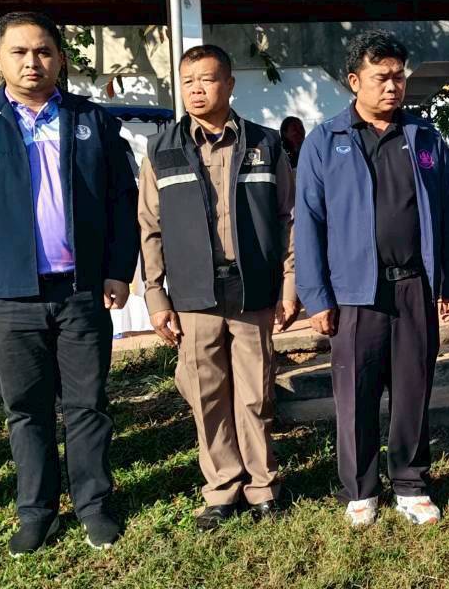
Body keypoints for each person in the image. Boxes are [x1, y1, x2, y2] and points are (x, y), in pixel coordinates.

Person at [0, 12, 139, 554]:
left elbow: (122, 201)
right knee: (26, 409)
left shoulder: (91, 120)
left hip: (81, 290)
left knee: (87, 404)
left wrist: (119, 269)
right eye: (19, 52)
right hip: (10, 295)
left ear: (60, 58)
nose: (32, 62)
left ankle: (94, 506)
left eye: (43, 51)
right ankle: (37, 512)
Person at [296, 30, 449, 527]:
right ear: (355, 81)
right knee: (356, 392)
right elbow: (308, 223)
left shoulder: (424, 138)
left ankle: (411, 483)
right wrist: (316, 296)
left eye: (398, 76)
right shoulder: (325, 141)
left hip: (414, 284)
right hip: (355, 293)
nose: (392, 86)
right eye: (381, 77)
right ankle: (360, 489)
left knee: (413, 389)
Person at [138, 45, 299, 532]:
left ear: (229, 85)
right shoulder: (161, 150)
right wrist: (156, 295)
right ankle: (223, 487)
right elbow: (150, 228)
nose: (196, 90)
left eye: (207, 80)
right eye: (188, 81)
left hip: (252, 289)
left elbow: (288, 219)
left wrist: (290, 285)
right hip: (194, 294)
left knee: (255, 394)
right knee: (206, 395)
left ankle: (262, 486)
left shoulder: (266, 144)